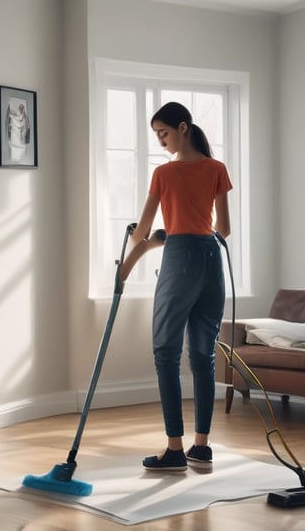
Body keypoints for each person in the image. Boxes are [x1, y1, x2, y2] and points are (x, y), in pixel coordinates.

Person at [119, 101, 232, 471]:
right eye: (156, 135)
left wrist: (129, 263)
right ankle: (201, 447)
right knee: (203, 356)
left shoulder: (163, 175)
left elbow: (143, 230)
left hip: (179, 258)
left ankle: (173, 449)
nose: (160, 140)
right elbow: (224, 229)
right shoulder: (217, 168)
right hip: (212, 260)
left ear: (183, 128)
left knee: (166, 353)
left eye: (163, 133)